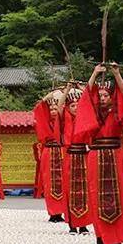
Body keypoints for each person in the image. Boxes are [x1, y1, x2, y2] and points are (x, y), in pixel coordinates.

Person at [74, 63, 123, 244]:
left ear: (111, 97)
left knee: (120, 195)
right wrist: (94, 73)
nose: (102, 98)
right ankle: (101, 235)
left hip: (115, 155)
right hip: (96, 156)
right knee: (96, 195)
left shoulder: (117, 113)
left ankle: (117, 235)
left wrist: (116, 74)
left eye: (106, 95)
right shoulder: (92, 112)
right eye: (100, 95)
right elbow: (87, 95)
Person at [61, 86, 90, 234]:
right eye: (72, 105)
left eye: (78, 105)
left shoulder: (85, 118)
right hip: (70, 157)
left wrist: (83, 89)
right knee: (70, 190)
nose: (75, 108)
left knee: (84, 191)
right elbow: (59, 107)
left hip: (84, 157)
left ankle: (84, 224)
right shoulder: (63, 119)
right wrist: (66, 91)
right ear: (68, 107)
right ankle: (72, 224)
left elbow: (91, 103)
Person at [33, 90, 65, 222]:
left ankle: (63, 211)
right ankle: (53, 213)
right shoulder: (45, 121)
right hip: (49, 152)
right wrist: (48, 97)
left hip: (62, 152)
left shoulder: (63, 119)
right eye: (50, 107)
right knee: (49, 183)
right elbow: (38, 109)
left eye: (55, 107)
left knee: (64, 182)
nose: (52, 110)